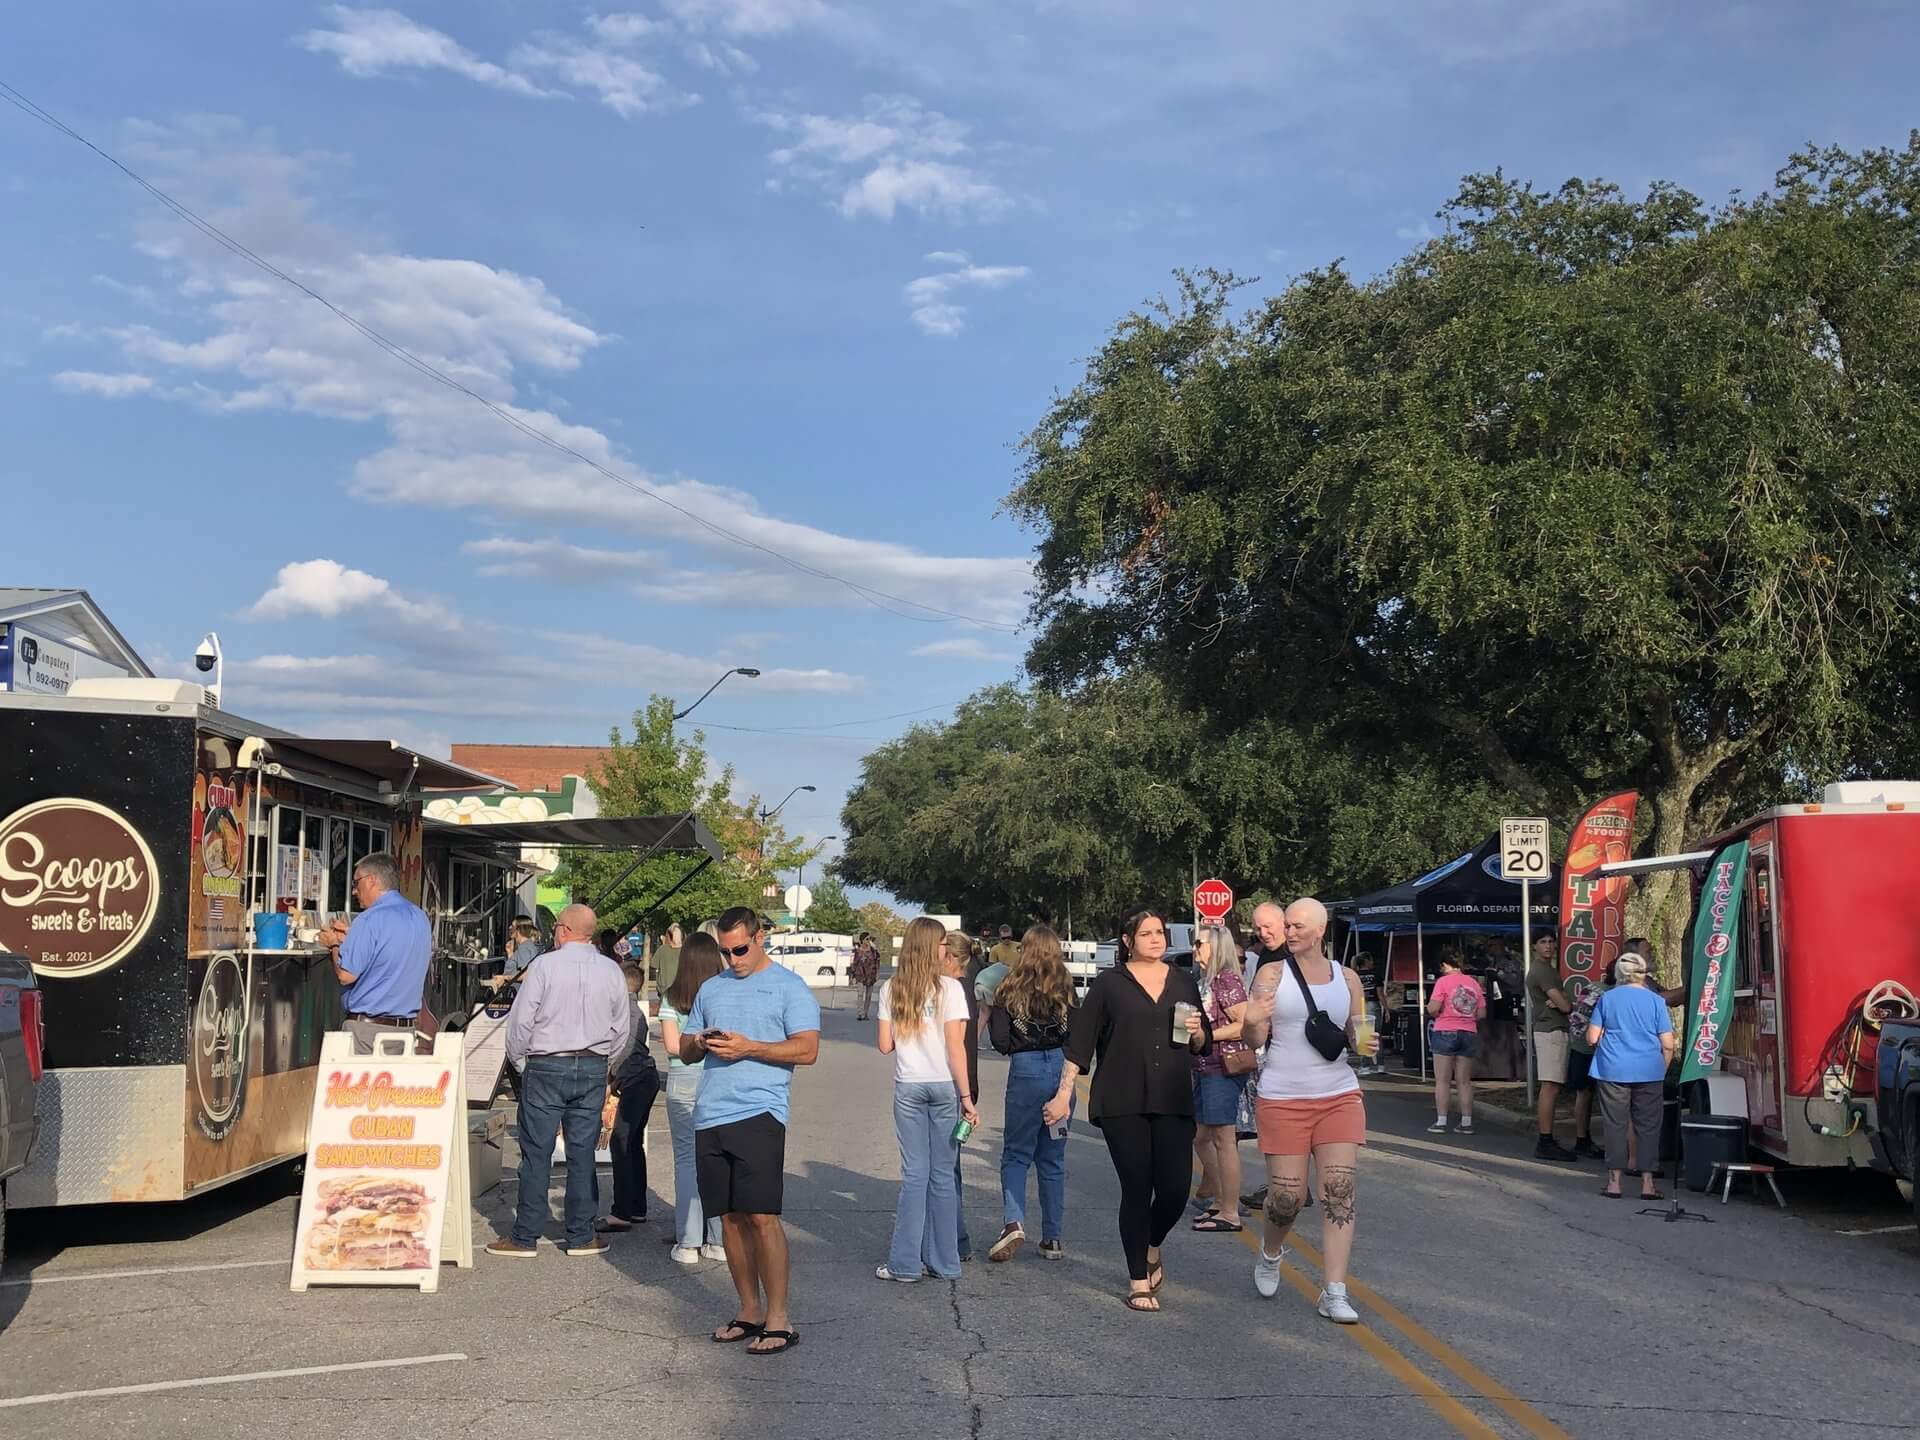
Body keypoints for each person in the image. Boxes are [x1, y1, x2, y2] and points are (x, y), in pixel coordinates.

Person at [1043, 908, 1209, 1314]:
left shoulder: (1183, 982)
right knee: (1137, 1187)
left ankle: (1152, 1245)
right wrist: (1064, 1094)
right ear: (1127, 939)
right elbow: (1079, 1045)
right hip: (1122, 1100)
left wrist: (1199, 1033)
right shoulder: (1108, 985)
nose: (1156, 939)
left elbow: (1200, 1042)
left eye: (1161, 933)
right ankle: (1138, 1279)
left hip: (1172, 1098)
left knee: (1173, 1189)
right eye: (1147, 933)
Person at [679, 907, 822, 1357]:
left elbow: (808, 1049)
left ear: (760, 938)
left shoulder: (789, 987)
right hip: (710, 1114)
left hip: (760, 1111)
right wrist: (699, 1042)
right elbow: (683, 1050)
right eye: (725, 951)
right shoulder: (711, 987)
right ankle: (748, 1310)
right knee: (729, 1218)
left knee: (762, 1216)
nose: (733, 959)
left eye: (740, 949)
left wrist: (750, 1048)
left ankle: (779, 1317)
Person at [1241, 897, 1377, 1324]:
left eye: (1298, 925)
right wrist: (1252, 1018)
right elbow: (1252, 1041)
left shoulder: (1347, 977)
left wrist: (1366, 1041)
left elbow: (1359, 1028)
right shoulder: (1270, 974)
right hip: (1283, 1095)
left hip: (1338, 1094)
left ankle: (1334, 1290)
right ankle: (1271, 1251)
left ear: (1319, 930)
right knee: (1287, 1198)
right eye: (1287, 925)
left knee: (1339, 1190)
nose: (1291, 931)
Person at [489, 903, 634, 1259]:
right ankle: (582, 1234)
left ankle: (525, 1235)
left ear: (566, 930)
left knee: (536, 1151)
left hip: (546, 1063)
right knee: (582, 1152)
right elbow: (622, 1027)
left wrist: (522, 1062)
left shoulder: (543, 966)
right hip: (592, 1064)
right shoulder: (611, 971)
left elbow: (521, 1022)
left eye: (556, 928)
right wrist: (606, 1063)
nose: (553, 933)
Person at [874, 917, 977, 1282]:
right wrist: (967, 1096)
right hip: (943, 1086)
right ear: (933, 946)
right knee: (942, 1175)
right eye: (942, 943)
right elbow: (956, 1048)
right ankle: (946, 1262)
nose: (946, 949)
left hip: (909, 1086)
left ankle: (904, 1264)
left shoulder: (892, 989)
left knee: (914, 1175)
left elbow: (885, 1045)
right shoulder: (950, 988)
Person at [987, 925, 1075, 1261]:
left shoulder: (1008, 988)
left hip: (1025, 1069)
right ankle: (1052, 1237)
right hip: (1062, 1069)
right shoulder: (1067, 989)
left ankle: (1014, 1222)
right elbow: (1077, 1036)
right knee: (1052, 1158)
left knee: (1016, 1153)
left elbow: (1000, 1041)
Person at [658, 932, 727, 1263]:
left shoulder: (672, 996)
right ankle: (718, 1240)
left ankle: (687, 1242)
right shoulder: (724, 995)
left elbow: (673, 1046)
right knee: (717, 1159)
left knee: (686, 1160)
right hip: (715, 1076)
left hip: (682, 1077)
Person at [322, 853, 434, 1052]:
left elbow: (346, 975)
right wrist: (350, 939)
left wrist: (333, 945)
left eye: (357, 883)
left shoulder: (369, 919)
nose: (354, 891)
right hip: (405, 1032)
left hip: (367, 1033)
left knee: (358, 1085)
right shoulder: (420, 917)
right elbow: (389, 952)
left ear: (372, 880)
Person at [1587, 952, 1677, 1201]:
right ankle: (1648, 1184)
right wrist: (1662, 1067)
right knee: (1648, 1126)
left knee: (1615, 1124)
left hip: (1612, 1069)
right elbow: (1668, 1044)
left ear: (1619, 974)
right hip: (1649, 1070)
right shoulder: (1656, 1001)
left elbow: (1592, 1038)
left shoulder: (1607, 998)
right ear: (1644, 973)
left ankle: (1615, 1182)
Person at [1190, 921, 1252, 1233]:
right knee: (1202, 1137)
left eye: (1200, 943)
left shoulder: (1227, 979)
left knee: (1223, 1139)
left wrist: (1207, 1034)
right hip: (1203, 1067)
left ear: (1216, 947)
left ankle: (1230, 1210)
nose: (1195, 949)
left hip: (1222, 1067)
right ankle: (1218, 1198)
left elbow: (1244, 1023)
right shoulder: (1205, 980)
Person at [599, 961, 659, 1233]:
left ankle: (622, 1211)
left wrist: (609, 1081)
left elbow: (622, 1050)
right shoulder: (633, 1011)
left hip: (636, 1081)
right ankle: (636, 1207)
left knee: (622, 1142)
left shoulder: (628, 1013)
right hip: (642, 1079)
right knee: (632, 1143)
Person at [941, 928, 983, 1261]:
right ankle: (956, 1238)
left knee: (943, 1167)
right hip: (966, 1081)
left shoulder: (949, 988)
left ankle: (955, 1239)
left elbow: (956, 1045)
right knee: (950, 1164)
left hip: (950, 1081)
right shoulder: (970, 987)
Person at [1526, 930, 1578, 1161]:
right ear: (1534, 947)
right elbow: (1564, 1005)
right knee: (1550, 1086)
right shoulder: (1541, 971)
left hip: (1554, 1029)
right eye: (1542, 942)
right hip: (1550, 1030)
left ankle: (1547, 1138)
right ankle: (1545, 1140)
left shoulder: (1547, 970)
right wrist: (1563, 1002)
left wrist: (1562, 1002)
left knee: (1553, 1086)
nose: (1548, 945)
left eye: (1550, 941)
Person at [1425, 949, 1486, 1134]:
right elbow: (1482, 1013)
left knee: (1442, 1080)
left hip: (1445, 1029)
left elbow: (1433, 1008)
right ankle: (1466, 1122)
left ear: (1444, 965)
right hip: (1468, 1031)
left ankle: (1441, 1121)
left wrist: (1434, 1010)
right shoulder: (1474, 983)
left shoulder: (1443, 982)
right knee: (1464, 1081)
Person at [850, 931, 882, 1021]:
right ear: (862, 940)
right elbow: (854, 963)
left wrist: (877, 974)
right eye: (867, 939)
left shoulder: (873, 951)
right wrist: (852, 975)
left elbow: (877, 962)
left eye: (870, 939)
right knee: (860, 994)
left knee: (868, 996)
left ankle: (865, 1013)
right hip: (860, 975)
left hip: (870, 975)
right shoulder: (858, 951)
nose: (869, 941)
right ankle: (860, 1013)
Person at [653, 923, 684, 1003]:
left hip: (676, 991)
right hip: (665, 991)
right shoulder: (662, 950)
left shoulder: (685, 950)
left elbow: (654, 967)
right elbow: (654, 967)